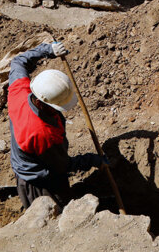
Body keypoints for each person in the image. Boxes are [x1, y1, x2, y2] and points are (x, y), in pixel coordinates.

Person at [8, 41, 106, 209]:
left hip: (35, 160)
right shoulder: (43, 133)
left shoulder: (20, 91)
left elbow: (18, 62)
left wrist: (48, 50)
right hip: (38, 180)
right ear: (41, 103)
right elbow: (62, 166)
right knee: (55, 214)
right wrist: (93, 160)